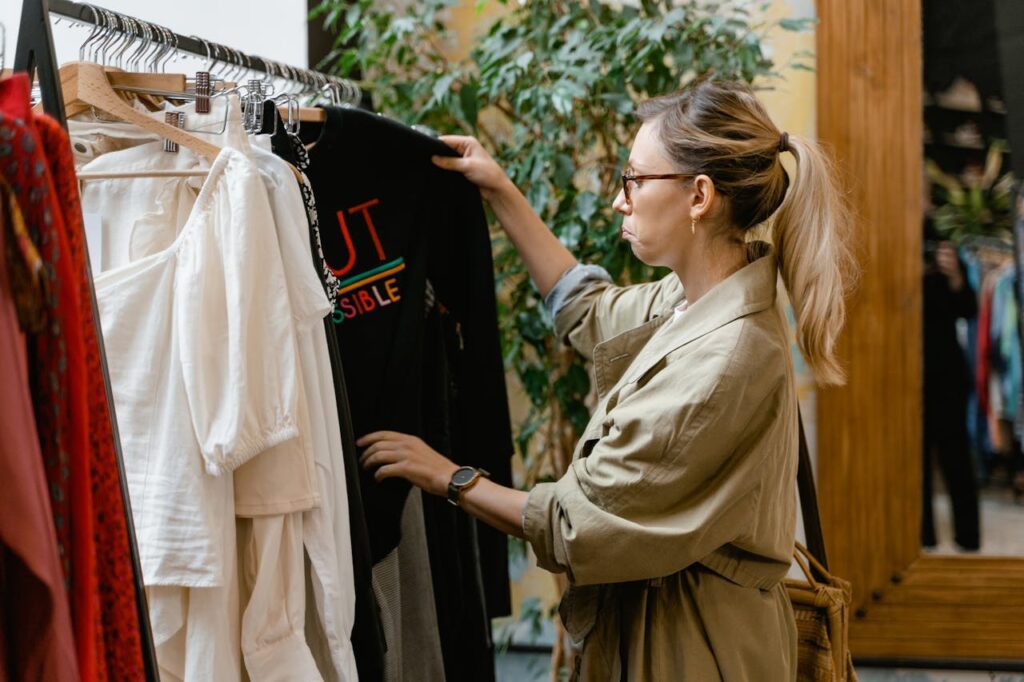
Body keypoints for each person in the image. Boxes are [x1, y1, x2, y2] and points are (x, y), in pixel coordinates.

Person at [357, 79, 855, 680]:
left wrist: (445, 475)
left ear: (699, 195)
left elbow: (573, 524)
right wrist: (499, 188)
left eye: (635, 181)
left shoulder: (726, 357)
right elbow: (589, 310)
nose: (620, 201)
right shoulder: (694, 296)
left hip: (689, 652)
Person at [921, 226, 980, 550]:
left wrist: (955, 276)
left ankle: (968, 538)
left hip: (947, 374)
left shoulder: (945, 246)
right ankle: (923, 536)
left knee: (956, 457)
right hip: (907, 374)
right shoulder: (896, 251)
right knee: (916, 462)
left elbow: (969, 309)